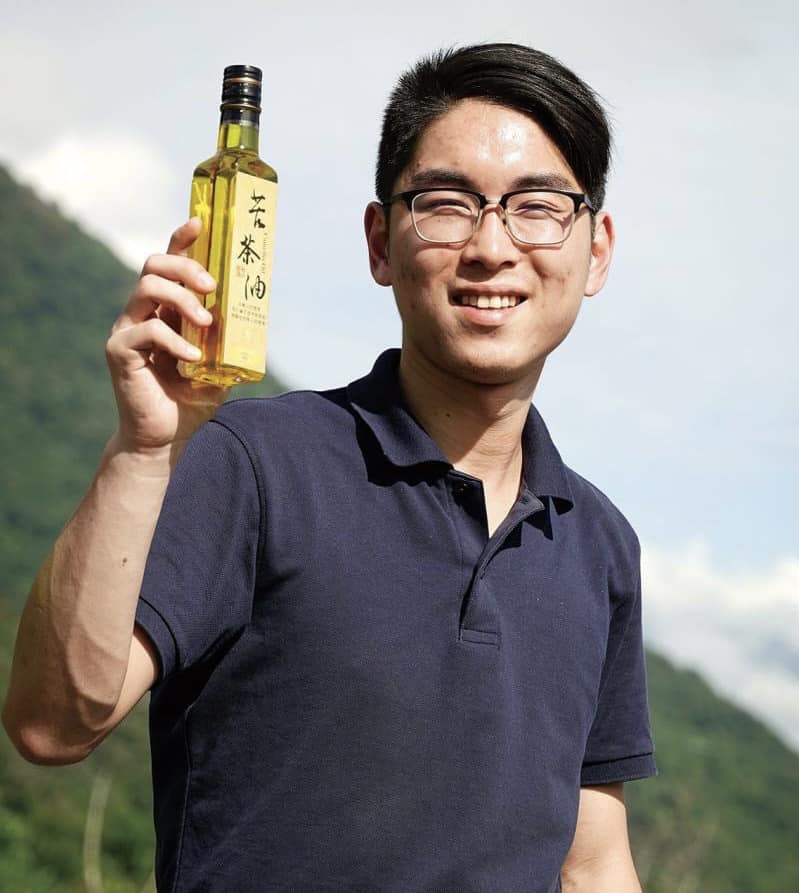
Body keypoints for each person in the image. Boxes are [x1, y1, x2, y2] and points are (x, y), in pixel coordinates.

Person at [3, 43, 656, 892]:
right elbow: (53, 722)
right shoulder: (257, 463)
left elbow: (591, 861)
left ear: (595, 250)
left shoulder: (599, 545)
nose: (491, 246)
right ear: (380, 242)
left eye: (537, 207)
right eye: (446, 204)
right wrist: (141, 450)